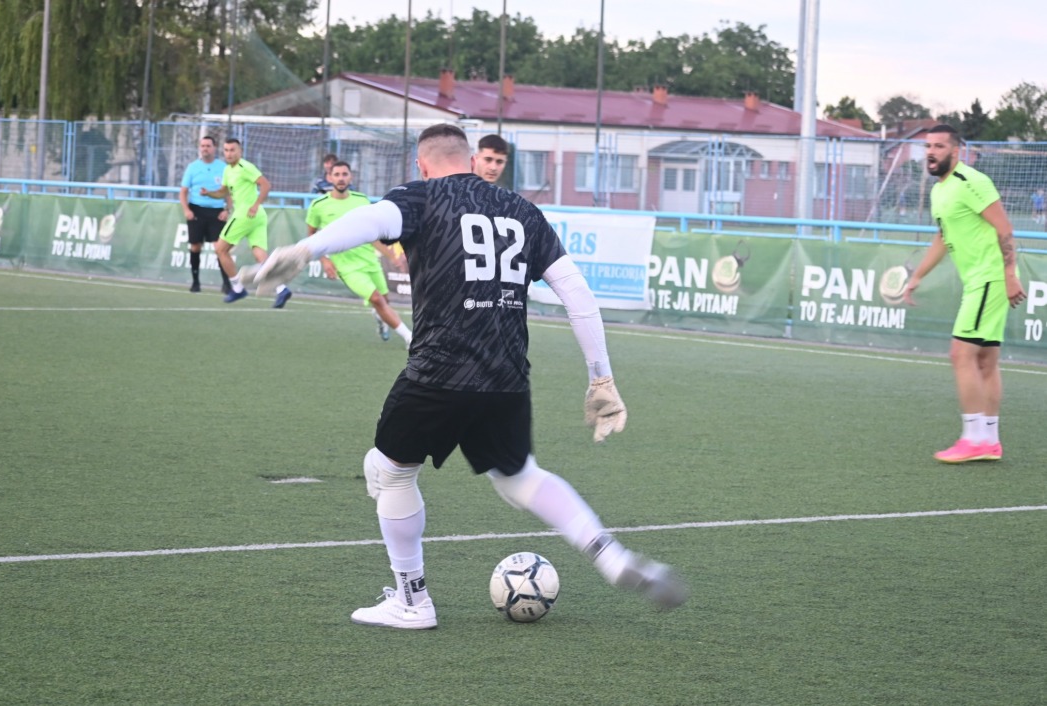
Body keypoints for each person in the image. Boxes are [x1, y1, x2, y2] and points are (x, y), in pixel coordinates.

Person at [248, 123, 687, 629]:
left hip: (438, 371)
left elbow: (370, 220)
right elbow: (578, 295)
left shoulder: (422, 196)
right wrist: (601, 379)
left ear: (421, 164)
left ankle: (412, 601)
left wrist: (307, 249)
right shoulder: (523, 210)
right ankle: (610, 556)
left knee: (390, 471)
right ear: (472, 159)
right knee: (519, 477)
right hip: (506, 376)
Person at [903, 124, 1026, 463]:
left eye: (939, 146)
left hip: (990, 279)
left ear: (955, 152)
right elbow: (943, 237)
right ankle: (990, 441)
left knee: (960, 354)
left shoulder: (971, 181)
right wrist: (918, 275)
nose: (931, 152)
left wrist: (1009, 275)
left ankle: (973, 439)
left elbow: (1004, 227)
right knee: (985, 361)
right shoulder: (939, 191)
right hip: (980, 281)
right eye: (928, 146)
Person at [306, 161, 413, 347]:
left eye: (344, 174)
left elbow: (372, 235)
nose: (341, 178)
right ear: (329, 178)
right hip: (347, 267)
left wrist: (392, 256)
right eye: (336, 175)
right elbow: (312, 236)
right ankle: (410, 338)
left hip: (369, 260)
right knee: (376, 299)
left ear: (351, 177)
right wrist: (325, 260)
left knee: (384, 300)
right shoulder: (318, 205)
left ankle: (380, 317)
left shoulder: (362, 200)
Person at [201, 138, 292, 308]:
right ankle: (281, 289)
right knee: (260, 256)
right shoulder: (227, 170)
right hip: (256, 217)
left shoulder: (245, 167)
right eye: (226, 150)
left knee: (220, 249)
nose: (229, 153)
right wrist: (209, 193)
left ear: (240, 151)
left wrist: (256, 205)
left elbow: (265, 185)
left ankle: (237, 288)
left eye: (232, 150)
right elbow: (223, 192)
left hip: (245, 214)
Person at [178, 135, 230, 293]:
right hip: (196, 210)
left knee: (220, 247)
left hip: (216, 212)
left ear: (214, 148)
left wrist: (227, 210)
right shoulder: (193, 167)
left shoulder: (223, 167)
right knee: (195, 246)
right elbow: (183, 191)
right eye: (202, 146)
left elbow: (228, 192)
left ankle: (226, 283)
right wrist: (186, 210)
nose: (205, 149)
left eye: (208, 146)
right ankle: (195, 282)